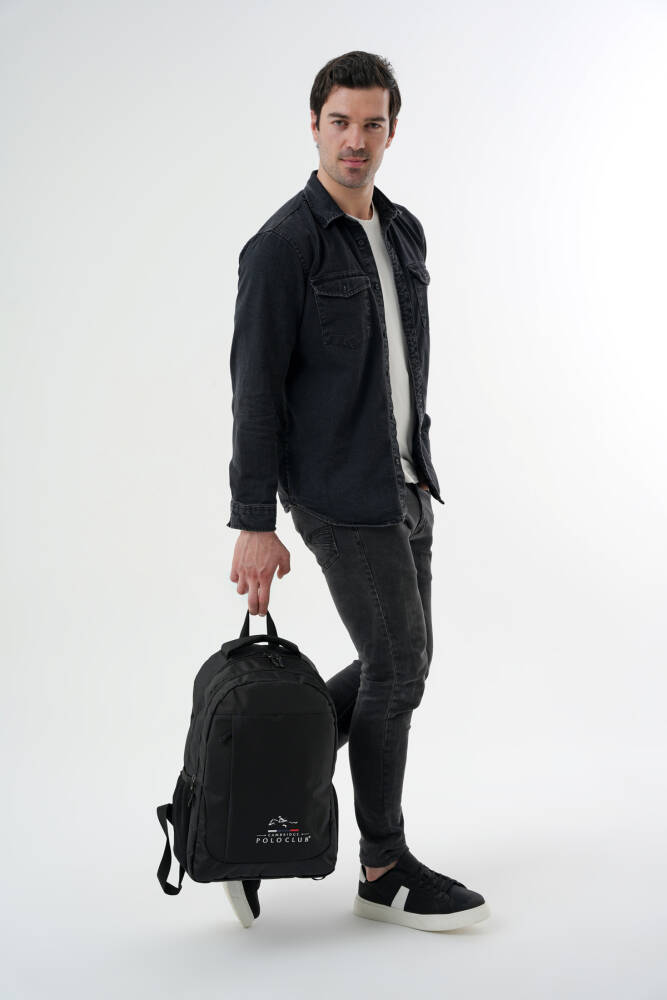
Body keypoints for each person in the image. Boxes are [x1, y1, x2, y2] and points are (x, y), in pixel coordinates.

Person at [225, 50, 490, 932]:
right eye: (339, 121)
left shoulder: (402, 231)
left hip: (405, 480)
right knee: (397, 665)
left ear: (390, 131)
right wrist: (254, 520)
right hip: (337, 493)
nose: (355, 140)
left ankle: (246, 793)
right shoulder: (282, 246)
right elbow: (255, 390)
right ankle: (383, 866)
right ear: (314, 126)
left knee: (399, 665)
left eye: (372, 124)